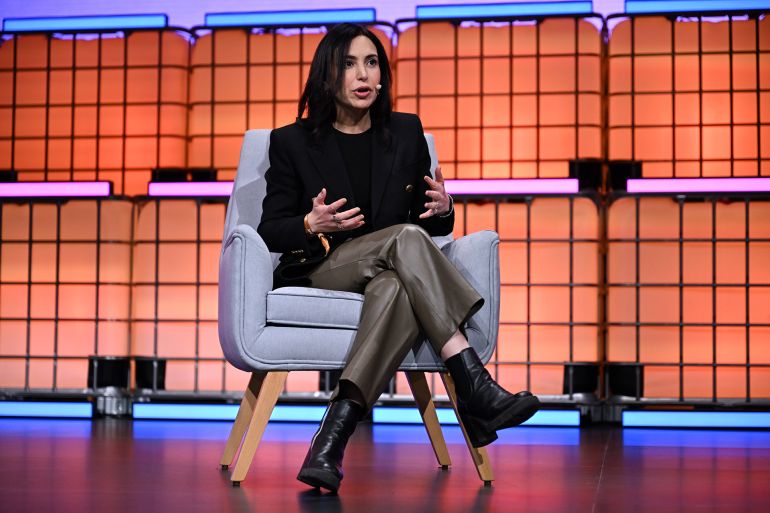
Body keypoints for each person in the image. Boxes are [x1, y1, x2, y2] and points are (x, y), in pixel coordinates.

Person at [257, 23, 539, 493]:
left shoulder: (406, 132)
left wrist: (444, 210)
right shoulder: (291, 141)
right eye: (348, 64)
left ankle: (330, 440)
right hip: (330, 266)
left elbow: (424, 226)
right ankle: (471, 381)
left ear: (383, 76)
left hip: (391, 270)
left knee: (397, 283)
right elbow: (269, 227)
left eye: (372, 63)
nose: (363, 75)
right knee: (404, 244)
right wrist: (310, 224)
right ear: (327, 76)